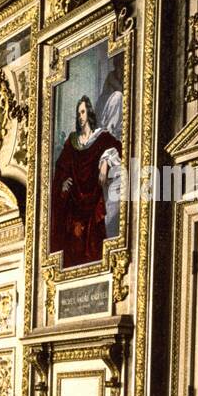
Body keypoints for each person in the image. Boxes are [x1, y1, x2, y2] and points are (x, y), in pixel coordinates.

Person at [51, 96, 122, 267]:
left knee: (94, 243)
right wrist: (63, 183)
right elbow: (61, 167)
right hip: (75, 202)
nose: (80, 117)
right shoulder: (72, 141)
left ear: (89, 112)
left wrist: (105, 161)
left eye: (82, 112)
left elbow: (117, 148)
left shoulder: (101, 137)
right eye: (78, 114)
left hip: (93, 197)